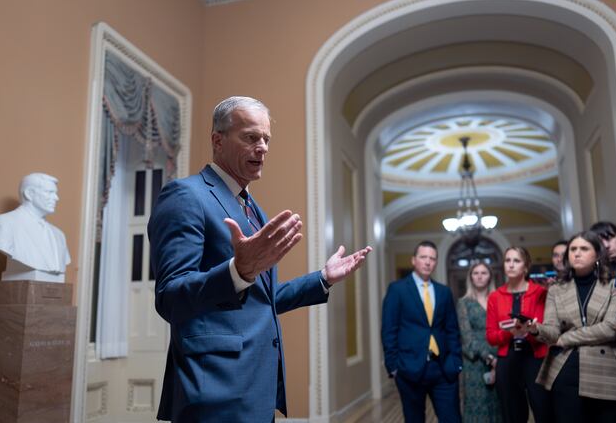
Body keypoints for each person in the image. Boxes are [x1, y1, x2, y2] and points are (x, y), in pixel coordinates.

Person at [148, 96, 372, 422]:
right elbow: (170, 298)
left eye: (266, 139)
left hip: (257, 384)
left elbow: (262, 299)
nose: (263, 147)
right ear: (217, 140)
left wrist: (322, 279)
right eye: (251, 137)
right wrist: (237, 271)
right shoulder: (186, 196)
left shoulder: (252, 208)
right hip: (214, 388)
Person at [528, 231, 616, 423]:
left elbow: (611, 328)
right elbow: (553, 331)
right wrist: (536, 329)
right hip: (567, 369)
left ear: (597, 254)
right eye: (573, 249)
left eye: (584, 249)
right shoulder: (556, 289)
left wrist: (566, 338)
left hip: (609, 370)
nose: (576, 253)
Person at [381, 241, 462, 423]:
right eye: (423, 257)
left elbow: (452, 330)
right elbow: (389, 330)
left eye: (432, 258)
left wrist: (455, 361)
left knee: (452, 419)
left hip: (443, 368)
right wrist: (394, 367)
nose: (428, 262)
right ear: (413, 260)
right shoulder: (397, 289)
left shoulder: (444, 292)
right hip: (409, 369)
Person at [486, 247, 551, 423]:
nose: (511, 265)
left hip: (536, 358)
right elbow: (491, 336)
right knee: (511, 415)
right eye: (508, 260)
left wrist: (529, 330)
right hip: (508, 361)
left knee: (543, 410)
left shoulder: (540, 292)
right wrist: (510, 333)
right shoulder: (495, 296)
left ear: (526, 266)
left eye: (516, 261)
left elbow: (547, 331)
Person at [0, 172, 70, 282]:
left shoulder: (59, 235)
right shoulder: (1, 225)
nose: (56, 198)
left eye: (55, 193)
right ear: (29, 194)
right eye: (49, 192)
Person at [457, 262, 502, 422]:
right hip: (475, 362)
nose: (480, 276)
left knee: (498, 404)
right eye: (476, 273)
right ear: (471, 277)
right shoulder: (464, 303)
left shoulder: (498, 300)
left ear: (490, 276)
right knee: (477, 405)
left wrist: (498, 358)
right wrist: (489, 357)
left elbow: (504, 329)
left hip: (500, 359)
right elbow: (466, 337)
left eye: (484, 272)